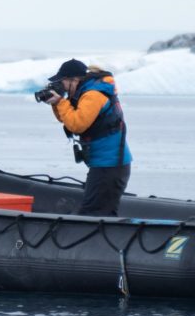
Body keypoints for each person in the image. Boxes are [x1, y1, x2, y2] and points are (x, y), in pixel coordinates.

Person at [36, 58, 133, 217]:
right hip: (105, 165)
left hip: (109, 166)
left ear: (74, 80)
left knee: (94, 214)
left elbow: (77, 124)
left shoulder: (93, 95)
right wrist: (56, 103)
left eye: (62, 82)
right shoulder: (85, 92)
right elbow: (67, 119)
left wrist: (61, 102)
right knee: (100, 213)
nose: (61, 86)